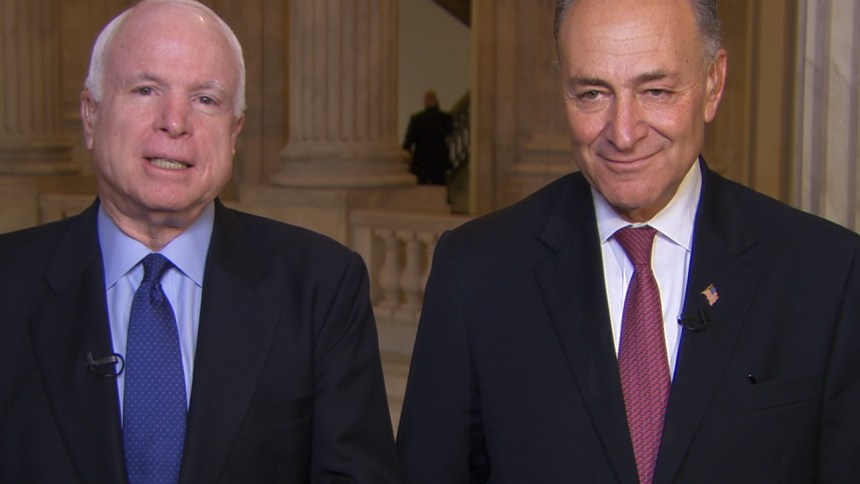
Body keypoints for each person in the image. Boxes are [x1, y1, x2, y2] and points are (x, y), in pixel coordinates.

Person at [396, 0, 860, 482]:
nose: (623, 133)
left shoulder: (828, 274)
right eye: (592, 93)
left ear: (713, 83)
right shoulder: (476, 272)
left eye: (656, 91)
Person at [0, 0, 399, 482]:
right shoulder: (8, 284)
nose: (175, 121)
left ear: (234, 133)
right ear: (91, 115)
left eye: (206, 99)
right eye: (146, 89)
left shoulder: (321, 286)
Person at [402, 90, 454, 185]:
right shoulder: (445, 118)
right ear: (436, 101)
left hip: (421, 162)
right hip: (439, 161)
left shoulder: (417, 119)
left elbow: (408, 143)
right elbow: (449, 139)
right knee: (439, 189)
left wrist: (408, 158)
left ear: (425, 102)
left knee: (421, 190)